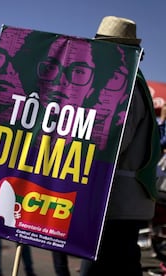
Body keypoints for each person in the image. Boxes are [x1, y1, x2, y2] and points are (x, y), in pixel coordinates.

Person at [79, 16, 161, 276]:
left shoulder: (122, 89)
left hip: (116, 203)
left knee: (97, 268)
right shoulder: (131, 84)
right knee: (121, 266)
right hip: (125, 202)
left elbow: (111, 145)